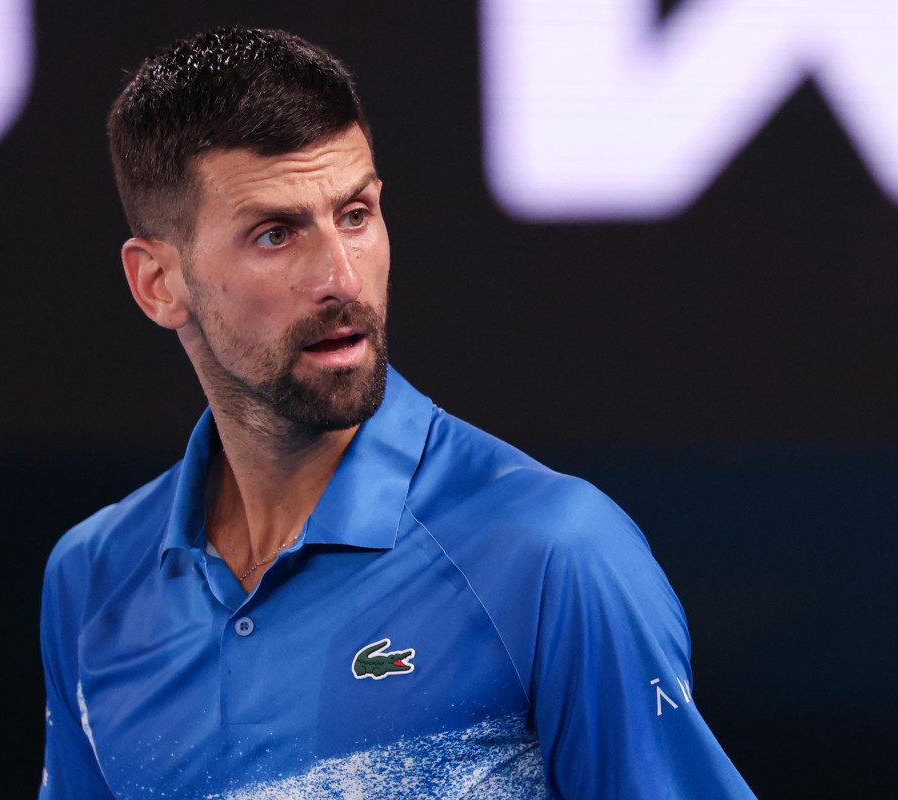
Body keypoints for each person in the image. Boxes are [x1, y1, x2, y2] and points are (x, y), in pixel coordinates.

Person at [39, 25, 756, 800]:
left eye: (355, 214)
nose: (342, 278)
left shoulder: (555, 553)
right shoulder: (91, 580)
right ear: (158, 284)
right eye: (275, 235)